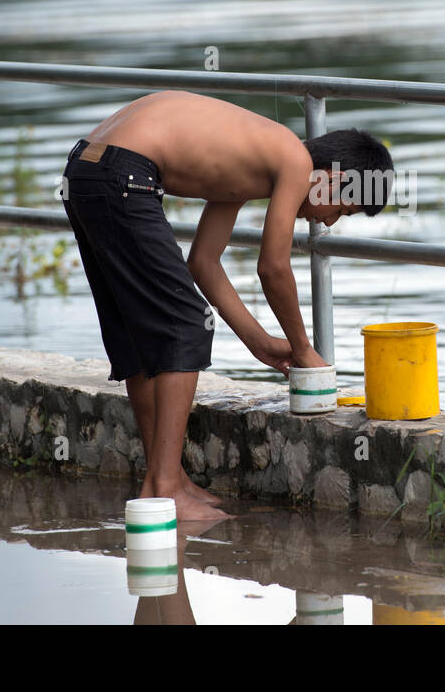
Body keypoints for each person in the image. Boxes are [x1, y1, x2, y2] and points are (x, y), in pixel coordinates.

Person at [61, 90, 393, 518]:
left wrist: (258, 342)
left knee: (141, 332)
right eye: (341, 210)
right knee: (185, 326)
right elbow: (273, 268)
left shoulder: (253, 158)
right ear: (331, 176)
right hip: (124, 173)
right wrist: (303, 348)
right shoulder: (294, 161)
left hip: (87, 168)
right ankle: (165, 490)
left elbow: (204, 261)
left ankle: (167, 479)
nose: (327, 222)